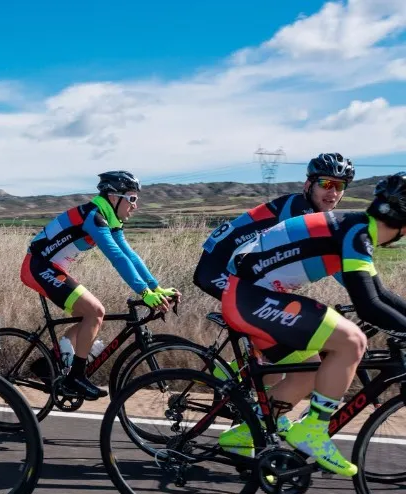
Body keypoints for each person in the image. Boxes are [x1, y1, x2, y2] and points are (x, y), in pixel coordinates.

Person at [219, 173, 406, 477]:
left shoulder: (357, 228)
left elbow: (381, 294)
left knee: (309, 371)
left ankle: (243, 434)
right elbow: (368, 305)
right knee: (353, 340)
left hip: (249, 296)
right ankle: (313, 430)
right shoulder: (356, 232)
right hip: (249, 299)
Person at [20, 171, 176, 400]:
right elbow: (117, 258)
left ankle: (51, 362)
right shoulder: (93, 217)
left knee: (90, 316)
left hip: (52, 268)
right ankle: (76, 377)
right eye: (132, 199)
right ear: (114, 197)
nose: (135, 206)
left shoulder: (108, 219)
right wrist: (143, 292)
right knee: (96, 311)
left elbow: (130, 255)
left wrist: (155, 287)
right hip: (37, 267)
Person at [194, 152, 356, 299]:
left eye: (339, 186)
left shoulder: (313, 212)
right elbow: (333, 255)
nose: (333, 193)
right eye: (326, 184)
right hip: (216, 267)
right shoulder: (299, 209)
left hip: (242, 269)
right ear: (308, 185)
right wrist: (365, 294)